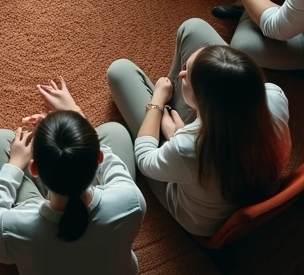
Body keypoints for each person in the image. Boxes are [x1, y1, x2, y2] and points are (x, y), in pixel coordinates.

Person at [106, 19, 291, 238]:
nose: (181, 75)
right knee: (192, 28)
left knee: (119, 71)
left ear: (204, 104)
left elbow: (145, 159)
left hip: (197, 215)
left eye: (186, 76)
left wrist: (157, 104)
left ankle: (163, 99)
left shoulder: (190, 147)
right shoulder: (273, 95)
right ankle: (174, 97)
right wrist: (181, 136)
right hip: (213, 164)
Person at [0, 78, 145, 274]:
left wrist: (14, 166)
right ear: (98, 158)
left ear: (35, 170)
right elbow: (108, 159)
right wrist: (75, 113)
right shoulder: (131, 200)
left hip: (36, 217)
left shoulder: (13, 226)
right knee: (115, 131)